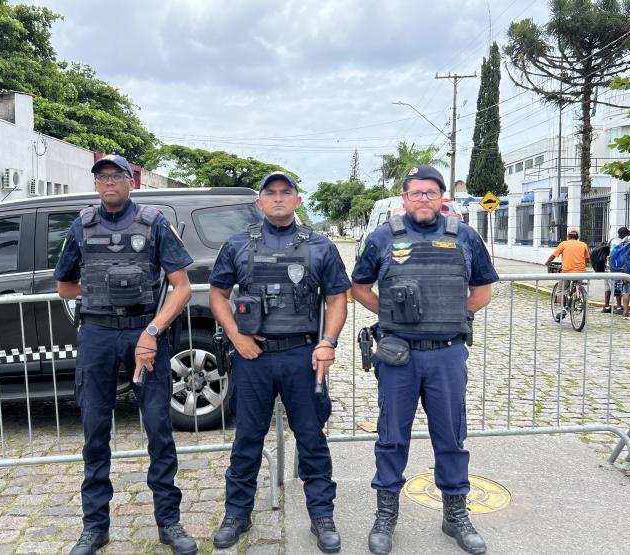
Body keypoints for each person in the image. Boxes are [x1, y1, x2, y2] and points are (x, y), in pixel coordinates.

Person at [55, 154, 198, 555]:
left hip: (144, 333)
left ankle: (169, 523)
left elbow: (182, 287)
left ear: (130, 182)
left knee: (159, 431)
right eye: (103, 177)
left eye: (117, 176)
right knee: (95, 433)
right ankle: (94, 527)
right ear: (97, 185)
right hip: (97, 334)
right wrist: (103, 290)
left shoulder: (154, 224)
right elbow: (65, 287)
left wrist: (152, 330)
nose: (110, 183)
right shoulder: (81, 227)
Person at [351, 165, 498, 555]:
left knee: (451, 437)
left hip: (447, 354)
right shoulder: (383, 237)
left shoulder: (465, 236)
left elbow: (483, 289)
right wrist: (388, 313)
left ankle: (455, 516)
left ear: (442, 197)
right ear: (404, 198)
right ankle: (385, 517)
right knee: (391, 437)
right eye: (416, 193)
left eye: (431, 193)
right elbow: (359, 286)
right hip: (398, 355)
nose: (423, 199)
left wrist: (458, 317)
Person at [209, 171, 349, 554]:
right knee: (247, 440)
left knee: (311, 438)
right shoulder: (237, 245)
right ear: (259, 202)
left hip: (301, 356)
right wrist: (237, 337)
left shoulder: (320, 247)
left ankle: (322, 516)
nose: (277, 198)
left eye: (285, 192)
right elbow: (218, 295)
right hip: (253, 357)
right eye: (269, 193)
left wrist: (328, 342)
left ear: (298, 200)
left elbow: (338, 299)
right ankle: (237, 514)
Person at [545, 227, 590, 322]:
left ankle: (562, 310)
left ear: (568, 236)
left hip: (567, 272)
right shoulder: (583, 245)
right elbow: (587, 259)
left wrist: (548, 262)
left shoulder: (564, 244)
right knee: (577, 285)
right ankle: (578, 297)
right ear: (578, 237)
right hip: (580, 272)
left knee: (560, 291)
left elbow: (553, 255)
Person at [603, 227, 630, 314]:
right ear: (624, 234)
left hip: (607, 267)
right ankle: (619, 307)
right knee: (618, 288)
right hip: (616, 268)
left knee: (607, 288)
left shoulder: (612, 240)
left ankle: (607, 306)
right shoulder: (624, 243)